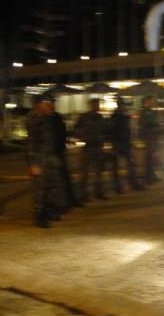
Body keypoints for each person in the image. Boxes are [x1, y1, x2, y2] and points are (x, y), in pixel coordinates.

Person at [26, 94, 65, 228]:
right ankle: (39, 215)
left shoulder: (46, 117)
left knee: (52, 185)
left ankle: (49, 210)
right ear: (37, 104)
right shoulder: (33, 118)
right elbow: (31, 142)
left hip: (49, 156)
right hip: (39, 158)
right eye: (44, 103)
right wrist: (33, 164)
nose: (47, 105)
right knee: (39, 189)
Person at [74, 98, 108, 201]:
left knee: (98, 173)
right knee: (85, 173)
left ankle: (98, 192)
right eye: (95, 105)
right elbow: (76, 130)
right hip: (88, 147)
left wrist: (103, 140)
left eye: (98, 105)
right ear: (91, 105)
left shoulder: (100, 117)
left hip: (98, 147)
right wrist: (83, 136)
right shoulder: (84, 117)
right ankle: (82, 195)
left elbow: (105, 130)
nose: (97, 107)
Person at [109, 97, 144, 192]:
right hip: (119, 143)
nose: (123, 107)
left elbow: (127, 130)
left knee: (129, 164)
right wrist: (114, 144)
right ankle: (118, 186)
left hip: (124, 143)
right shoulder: (116, 117)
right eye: (122, 105)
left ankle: (131, 184)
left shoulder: (121, 116)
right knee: (119, 166)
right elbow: (113, 131)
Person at [139, 95, 160, 184]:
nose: (152, 103)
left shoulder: (151, 112)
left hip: (152, 136)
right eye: (151, 101)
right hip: (148, 137)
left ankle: (152, 175)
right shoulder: (144, 112)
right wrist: (153, 124)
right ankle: (148, 177)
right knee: (148, 157)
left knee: (152, 157)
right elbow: (144, 124)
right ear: (146, 102)